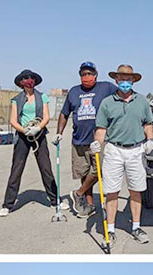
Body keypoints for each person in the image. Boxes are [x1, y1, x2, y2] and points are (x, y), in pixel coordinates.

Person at [94, 64, 153, 248]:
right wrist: (97, 143)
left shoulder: (142, 101)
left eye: (128, 79)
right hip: (114, 150)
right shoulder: (107, 102)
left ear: (133, 80)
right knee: (111, 191)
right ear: (116, 80)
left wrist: (149, 140)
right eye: (122, 79)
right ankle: (110, 230)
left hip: (136, 150)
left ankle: (136, 227)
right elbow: (101, 128)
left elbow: (148, 123)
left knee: (136, 191)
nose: (125, 82)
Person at [54, 62, 116, 218]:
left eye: (89, 73)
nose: (86, 76)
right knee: (84, 172)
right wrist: (59, 132)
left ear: (95, 74)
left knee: (99, 170)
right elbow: (64, 113)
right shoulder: (74, 91)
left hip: (99, 140)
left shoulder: (106, 88)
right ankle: (89, 205)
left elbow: (121, 96)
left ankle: (78, 193)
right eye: (83, 74)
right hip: (78, 139)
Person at [0, 69, 59, 217]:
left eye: (31, 77)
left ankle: (55, 200)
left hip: (38, 134)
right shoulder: (16, 99)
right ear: (21, 82)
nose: (29, 80)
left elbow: (46, 116)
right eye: (25, 78)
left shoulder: (42, 97)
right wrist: (25, 130)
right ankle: (8, 204)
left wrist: (37, 128)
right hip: (23, 136)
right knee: (16, 169)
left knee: (46, 167)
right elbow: (13, 120)